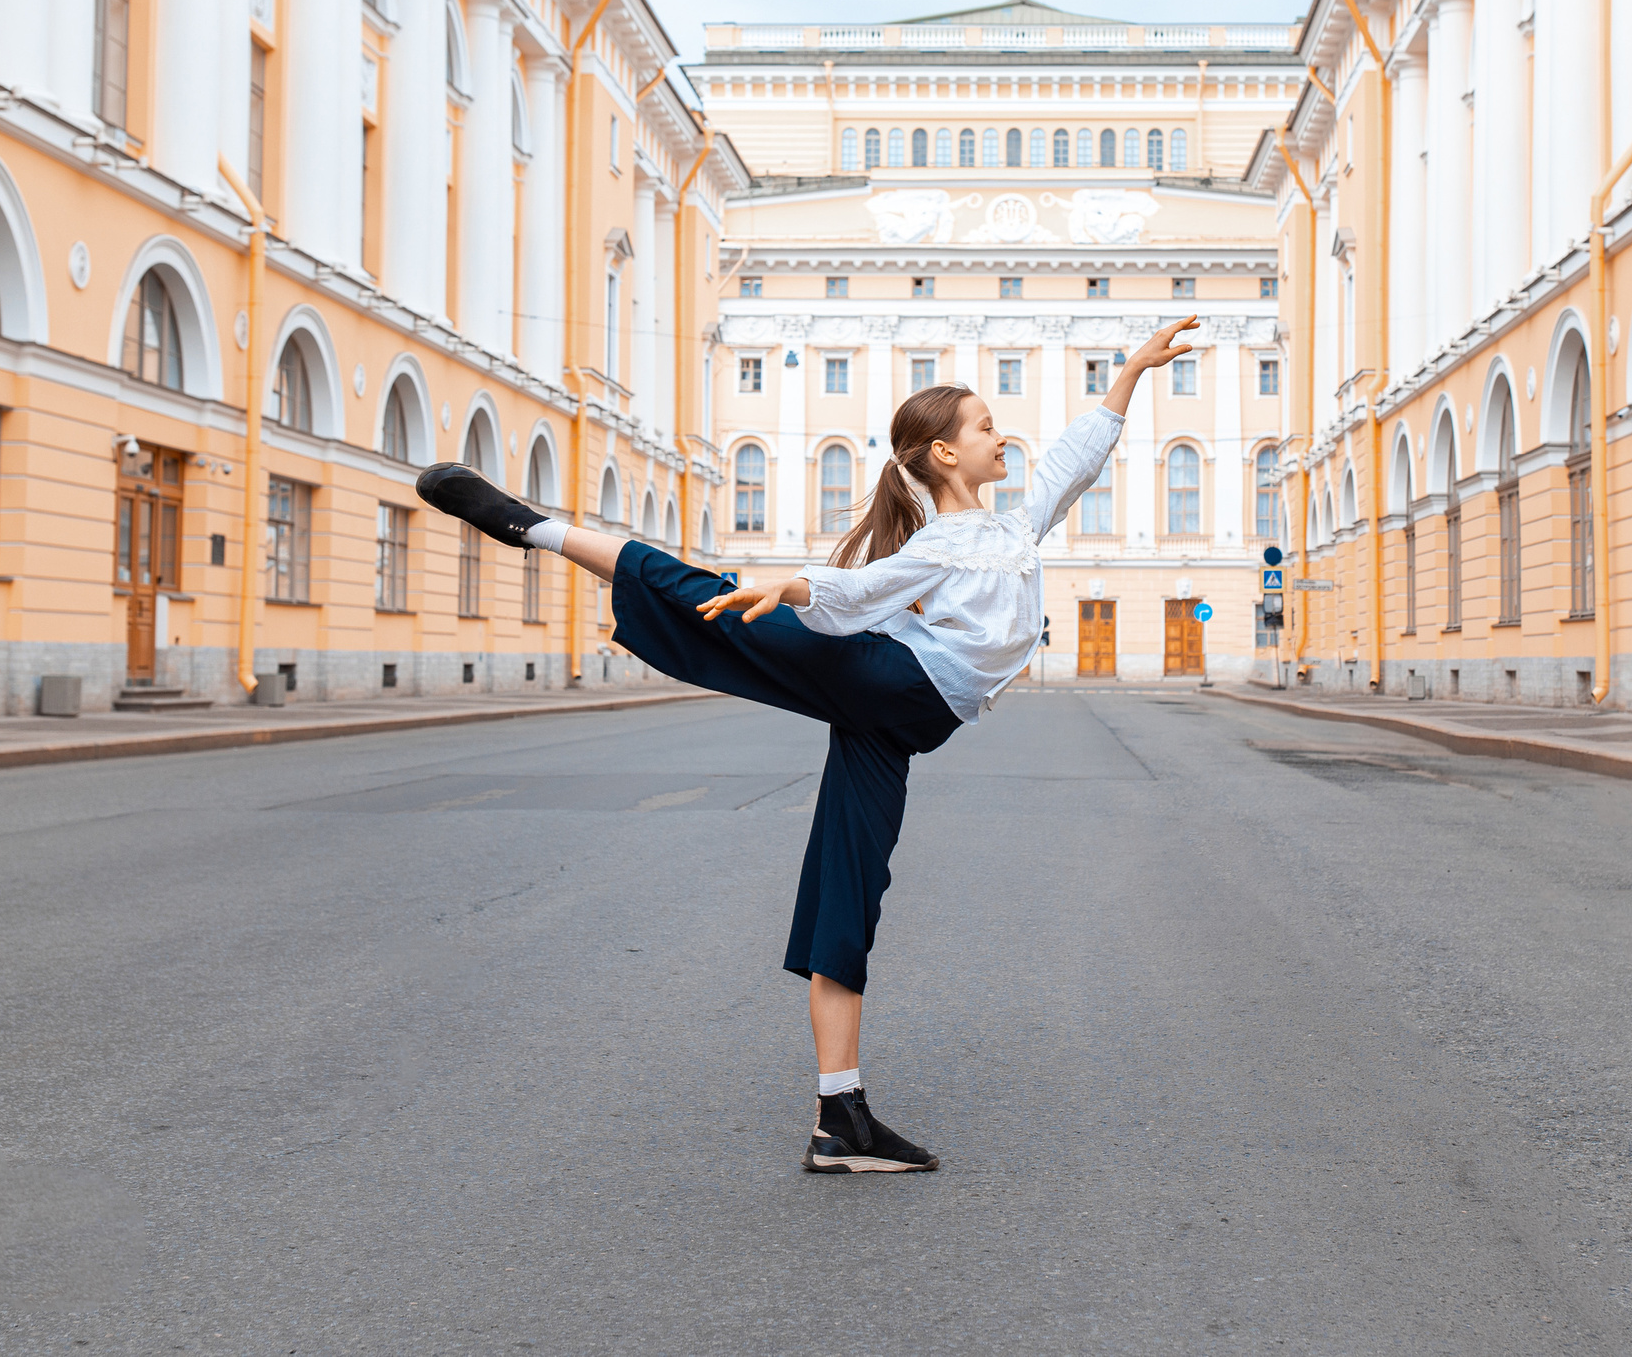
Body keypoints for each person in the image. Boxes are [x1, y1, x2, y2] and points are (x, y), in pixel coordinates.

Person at [415, 314, 1199, 1173]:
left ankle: (840, 1116)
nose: (1000, 435)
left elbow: (1077, 457)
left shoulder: (1014, 527)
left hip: (903, 722)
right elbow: (862, 589)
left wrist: (1132, 369)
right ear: (943, 454)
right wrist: (788, 585)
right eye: (982, 426)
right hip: (887, 679)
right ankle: (534, 528)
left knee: (849, 888)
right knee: (715, 597)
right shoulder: (940, 543)